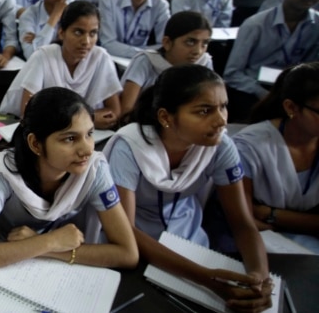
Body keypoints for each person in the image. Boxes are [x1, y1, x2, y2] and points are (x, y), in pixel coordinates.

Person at [106, 65, 274, 311]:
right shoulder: (130, 147)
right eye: (204, 111)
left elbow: (241, 221)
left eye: (223, 107)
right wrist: (207, 278)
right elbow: (125, 231)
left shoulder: (220, 146)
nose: (221, 120)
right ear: (165, 117)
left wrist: (260, 277)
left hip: (191, 243)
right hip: (138, 249)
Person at [0, 87, 138, 271]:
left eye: (89, 134)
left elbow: (128, 253)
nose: (87, 150)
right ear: (36, 144)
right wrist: (51, 241)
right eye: (70, 138)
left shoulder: (94, 170)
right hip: (1, 268)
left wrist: (44, 246)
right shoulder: (3, 174)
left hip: (58, 270)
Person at [234, 63, 319, 253]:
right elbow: (246, 219)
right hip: (263, 242)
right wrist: (304, 222)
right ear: (291, 107)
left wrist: (271, 213)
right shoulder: (250, 146)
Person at [2, 1, 121, 130]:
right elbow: (28, 113)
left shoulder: (101, 57)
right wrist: (87, 119)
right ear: (61, 33)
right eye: (78, 32)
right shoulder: (43, 56)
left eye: (92, 33)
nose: (86, 41)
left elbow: (114, 111)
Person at [224, 0, 319, 103]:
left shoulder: (316, 25)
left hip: (294, 90)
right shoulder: (255, 24)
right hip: (255, 90)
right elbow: (232, 74)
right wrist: (262, 93)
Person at [119, 11, 213, 116]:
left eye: (204, 43)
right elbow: (126, 110)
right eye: (190, 42)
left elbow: (210, 107)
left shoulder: (204, 63)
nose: (198, 51)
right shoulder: (146, 61)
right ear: (167, 43)